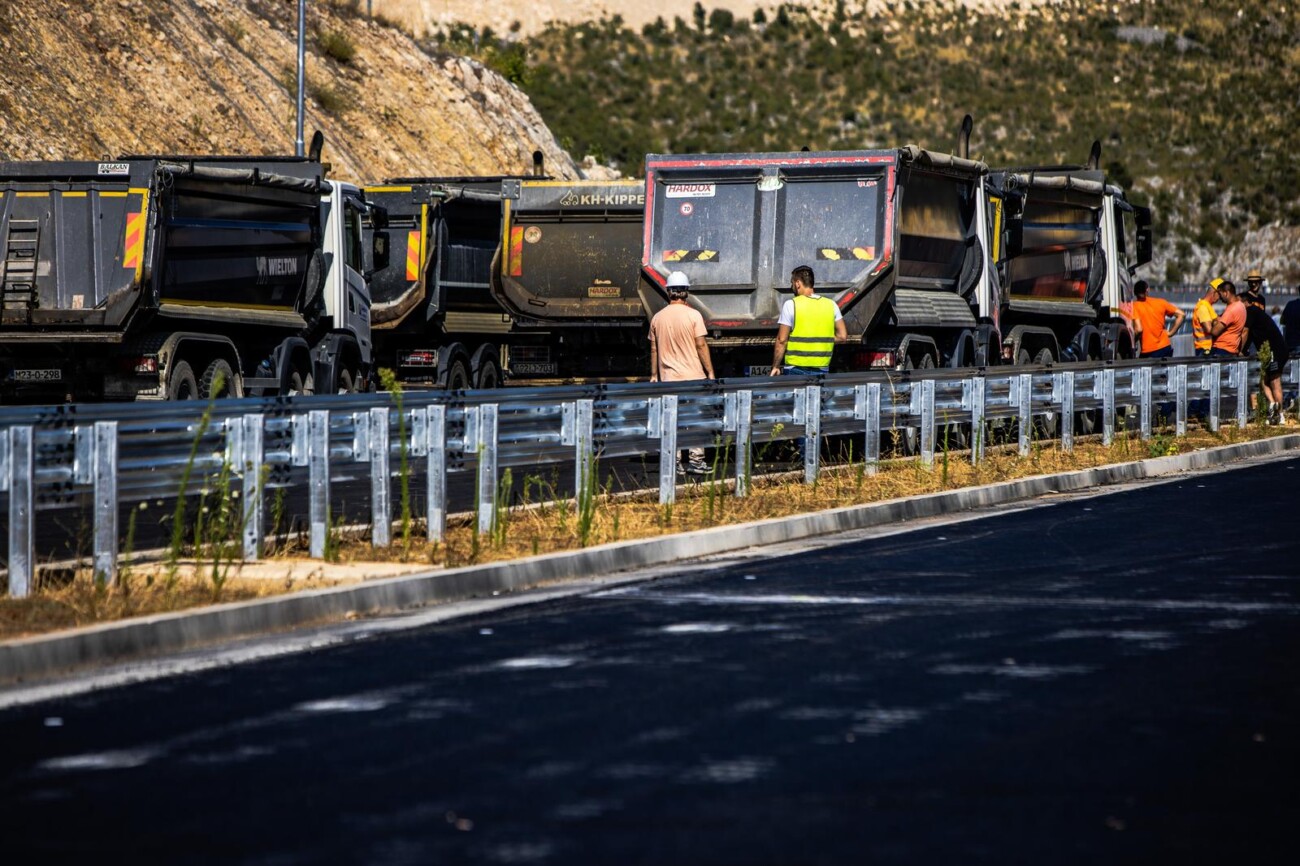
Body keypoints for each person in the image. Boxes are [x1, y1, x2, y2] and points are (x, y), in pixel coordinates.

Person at [649, 270, 714, 475]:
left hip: (668, 379)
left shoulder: (657, 318)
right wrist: (710, 371)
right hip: (694, 377)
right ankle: (696, 461)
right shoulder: (694, 315)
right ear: (686, 292)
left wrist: (653, 375)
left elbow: (654, 349)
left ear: (669, 292)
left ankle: (674, 462)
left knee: (672, 420)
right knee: (695, 420)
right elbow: (701, 345)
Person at [769, 265, 847, 375]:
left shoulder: (791, 304)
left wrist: (775, 366)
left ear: (797, 283)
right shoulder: (831, 305)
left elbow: (782, 340)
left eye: (792, 284)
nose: (792, 287)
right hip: (821, 368)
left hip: (795, 368)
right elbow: (842, 337)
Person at [1240, 284, 1288, 425]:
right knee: (1263, 380)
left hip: (1275, 350)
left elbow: (1245, 333)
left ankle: (1280, 415)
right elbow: (1249, 337)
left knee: (1274, 382)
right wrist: (1243, 350)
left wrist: (1239, 350)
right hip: (1271, 350)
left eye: (1239, 303)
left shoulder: (1251, 311)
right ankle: (1273, 406)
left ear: (1246, 302)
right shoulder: (1254, 313)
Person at [1131, 279, 1184, 358]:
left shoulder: (1134, 306)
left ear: (1134, 292)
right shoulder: (1161, 302)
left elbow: (1138, 329)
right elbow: (1181, 314)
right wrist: (1171, 333)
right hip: (1165, 347)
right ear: (1147, 290)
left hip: (1148, 351)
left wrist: (1133, 341)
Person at [1207, 279, 1246, 357]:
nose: (1220, 298)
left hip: (1222, 350)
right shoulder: (1241, 306)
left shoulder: (1231, 310)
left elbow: (1214, 331)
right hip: (1232, 349)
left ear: (1226, 293)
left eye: (1220, 294)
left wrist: (1213, 322)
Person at [1191, 278, 1222, 357]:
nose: (1219, 299)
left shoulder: (1208, 306)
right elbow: (1209, 329)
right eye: (1219, 295)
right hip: (1204, 349)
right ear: (1214, 293)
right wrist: (1217, 323)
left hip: (1206, 348)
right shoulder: (1203, 307)